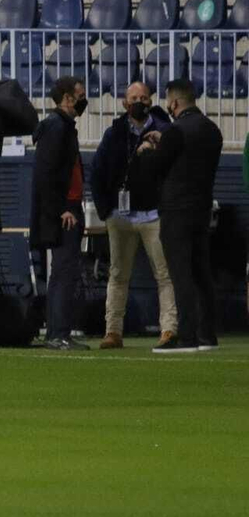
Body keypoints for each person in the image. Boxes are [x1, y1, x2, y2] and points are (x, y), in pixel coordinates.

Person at [89, 81, 176, 350]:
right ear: (125, 103)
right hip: (121, 215)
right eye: (134, 97)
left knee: (164, 275)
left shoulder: (165, 131)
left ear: (151, 100)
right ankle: (113, 332)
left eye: (144, 96)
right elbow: (97, 172)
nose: (139, 101)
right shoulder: (113, 133)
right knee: (118, 275)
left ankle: (169, 329)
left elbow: (174, 170)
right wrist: (106, 211)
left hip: (153, 214)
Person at [139, 79, 224, 353]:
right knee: (201, 273)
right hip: (201, 209)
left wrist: (148, 151)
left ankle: (186, 336)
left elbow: (158, 167)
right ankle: (207, 335)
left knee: (180, 274)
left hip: (176, 211)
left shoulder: (176, 130)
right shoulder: (213, 130)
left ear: (174, 103)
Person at [30, 76, 89, 351]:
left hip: (68, 207)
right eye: (80, 95)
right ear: (67, 98)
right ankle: (58, 333)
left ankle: (57, 331)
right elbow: (47, 175)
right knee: (64, 271)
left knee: (62, 272)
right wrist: (63, 208)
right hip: (65, 210)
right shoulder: (57, 128)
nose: (83, 100)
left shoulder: (62, 127)